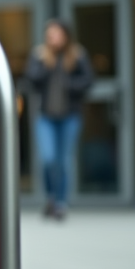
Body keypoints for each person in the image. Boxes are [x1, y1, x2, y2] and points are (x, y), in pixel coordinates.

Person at [26, 19, 94, 219]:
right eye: (49, 34)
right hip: (46, 117)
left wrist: (69, 83)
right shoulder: (40, 55)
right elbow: (31, 79)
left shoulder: (77, 55)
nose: (52, 38)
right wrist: (48, 66)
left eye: (56, 34)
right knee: (48, 159)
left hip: (70, 116)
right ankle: (50, 197)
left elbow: (88, 81)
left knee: (63, 161)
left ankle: (61, 202)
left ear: (65, 35)